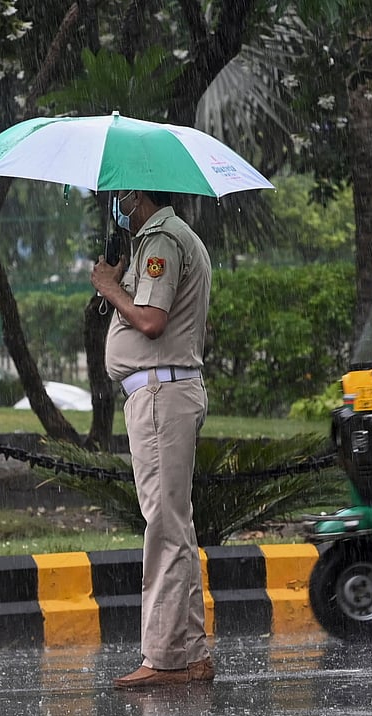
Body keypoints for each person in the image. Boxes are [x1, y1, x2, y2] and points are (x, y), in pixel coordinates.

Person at [90, 189, 214, 689]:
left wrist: (106, 286)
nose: (116, 200)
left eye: (120, 192)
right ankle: (191, 653)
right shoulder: (156, 239)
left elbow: (151, 320)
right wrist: (119, 283)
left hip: (162, 394)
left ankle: (162, 659)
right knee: (175, 526)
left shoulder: (162, 238)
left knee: (163, 526)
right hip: (160, 393)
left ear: (135, 194)